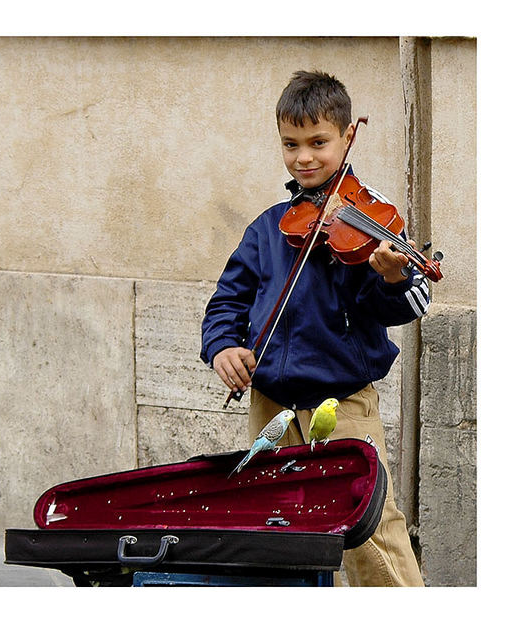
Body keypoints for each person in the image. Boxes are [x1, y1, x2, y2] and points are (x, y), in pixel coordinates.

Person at [200, 70, 429, 586]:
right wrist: (222, 347)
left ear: (348, 137)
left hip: (341, 400)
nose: (304, 157)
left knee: (371, 530)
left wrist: (392, 278)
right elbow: (226, 302)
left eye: (318, 142)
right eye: (291, 144)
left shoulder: (372, 224)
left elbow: (406, 302)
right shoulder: (268, 228)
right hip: (271, 403)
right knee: (277, 525)